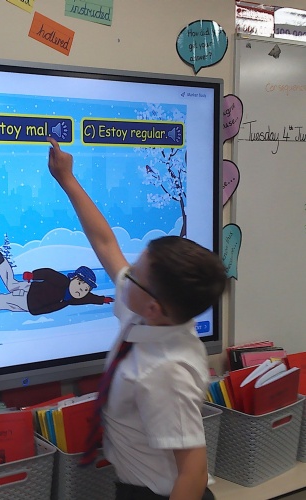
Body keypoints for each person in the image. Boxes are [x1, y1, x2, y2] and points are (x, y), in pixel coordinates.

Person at [47, 136, 227, 500]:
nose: (126, 274)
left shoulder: (167, 372)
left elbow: (193, 472)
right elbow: (106, 243)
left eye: (137, 274)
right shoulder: (151, 314)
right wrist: (67, 179)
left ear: (154, 307)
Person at [0, 250, 113, 328]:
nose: (81, 291)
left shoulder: (72, 299)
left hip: (30, 301)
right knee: (3, 301)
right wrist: (33, 275)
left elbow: (88, 298)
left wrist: (102, 300)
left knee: (11, 285)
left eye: (85, 289)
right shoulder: (62, 281)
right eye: (80, 284)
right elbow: (48, 273)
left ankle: (0, 261)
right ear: (73, 278)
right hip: (28, 297)